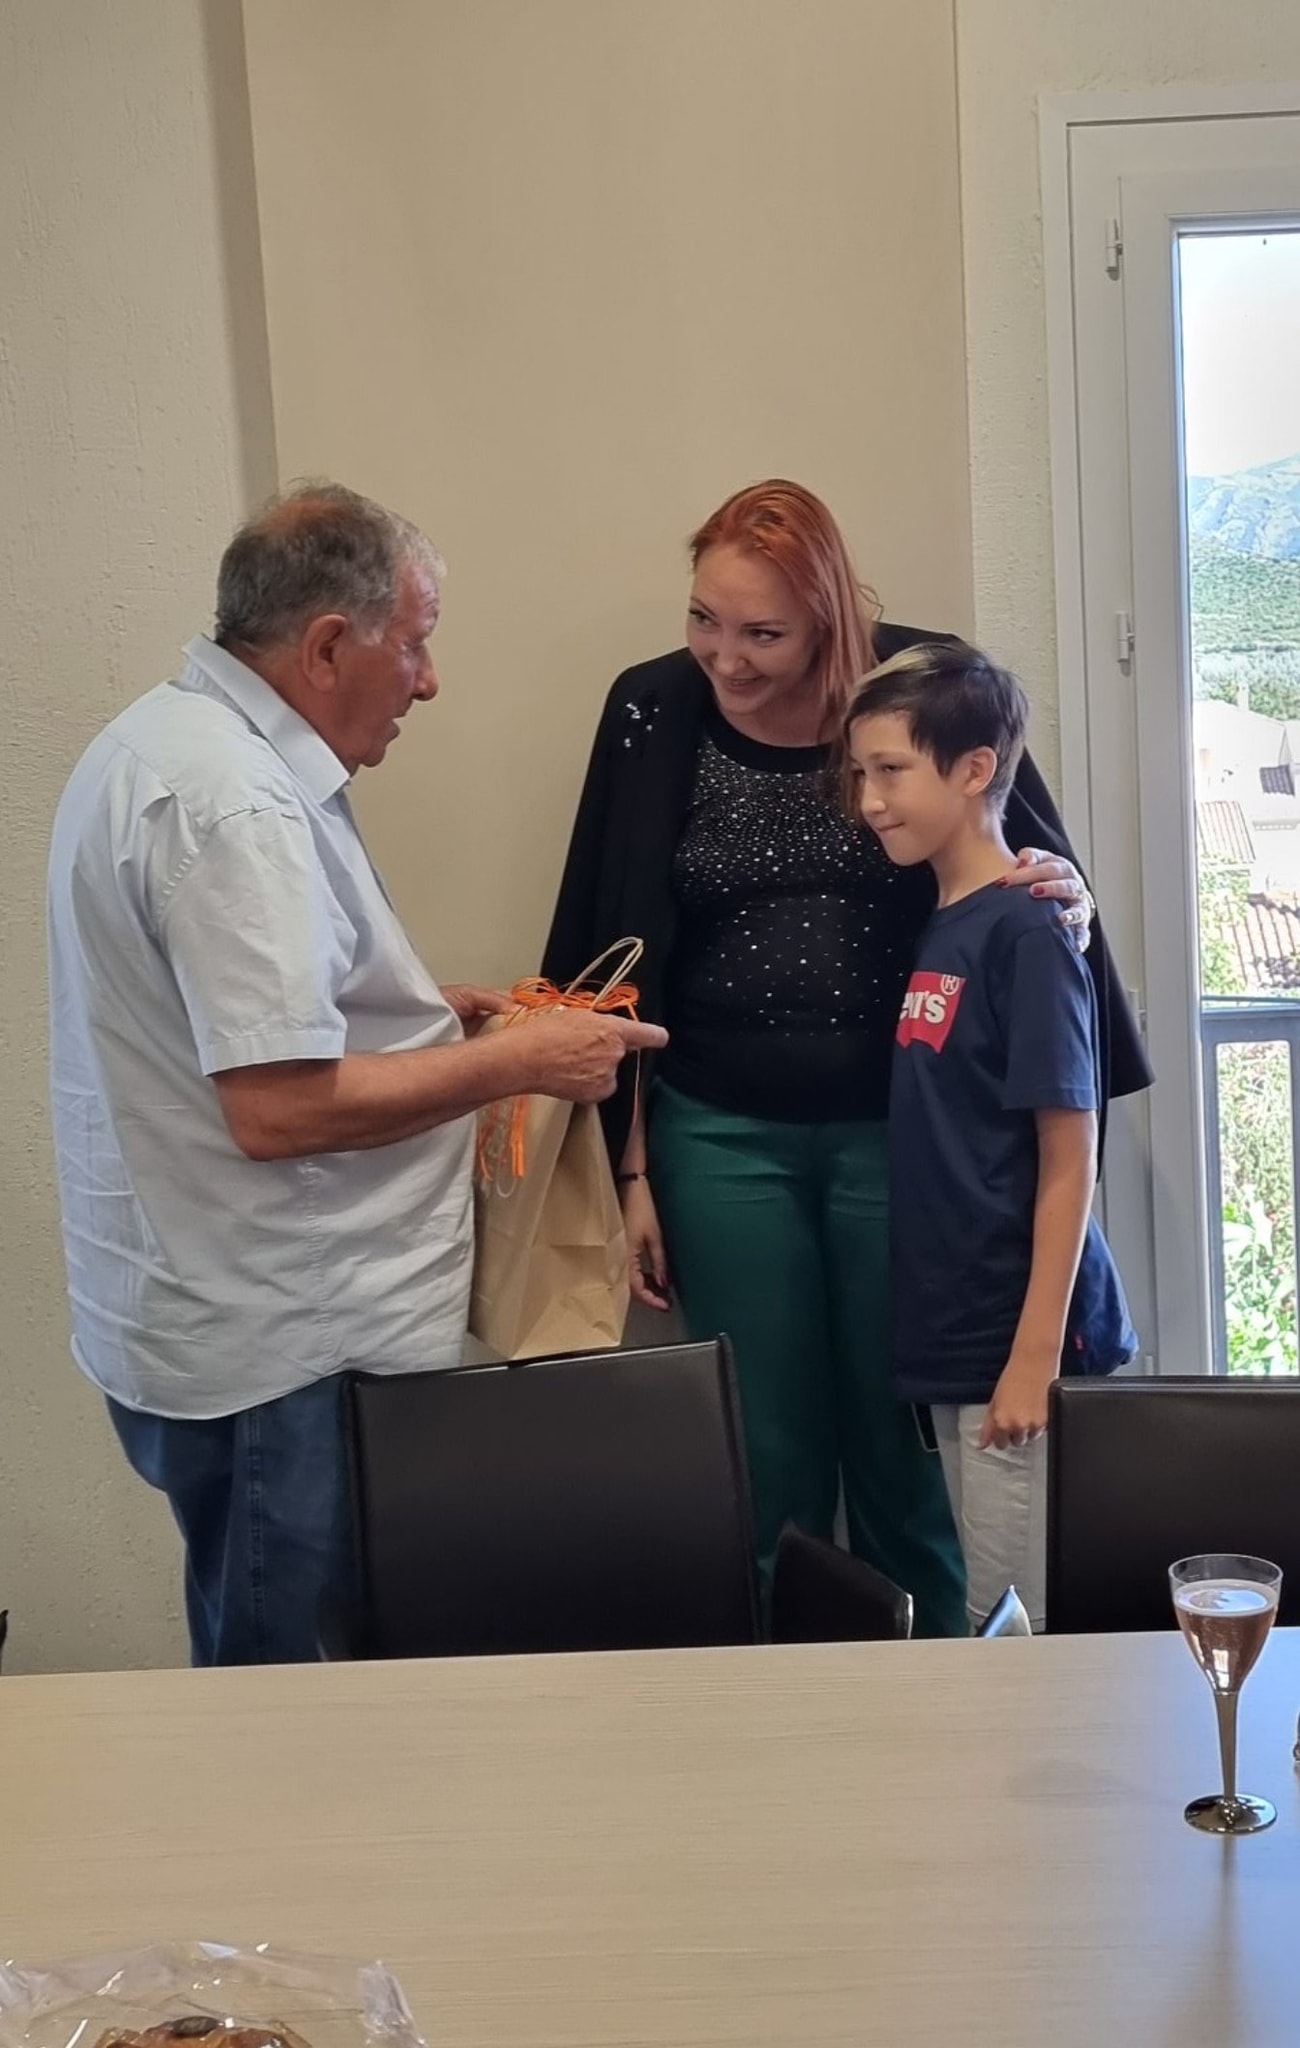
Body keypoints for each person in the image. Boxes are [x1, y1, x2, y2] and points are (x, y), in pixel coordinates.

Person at [48, 481, 664, 1667]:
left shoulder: (157, 743)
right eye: (415, 642)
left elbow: (219, 1024)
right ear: (327, 646)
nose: (428, 682)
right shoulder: (237, 805)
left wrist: (423, 1014)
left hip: (216, 1312)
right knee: (296, 1693)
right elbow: (276, 1109)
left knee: (274, 1654)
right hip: (285, 1341)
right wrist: (519, 1061)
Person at [543, 479, 1150, 1636]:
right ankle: (794, 1698)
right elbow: (615, 943)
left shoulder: (914, 692)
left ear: (829, 619)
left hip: (900, 1135)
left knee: (903, 1437)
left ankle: (941, 1678)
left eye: (763, 632)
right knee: (762, 1445)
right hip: (716, 1133)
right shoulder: (652, 710)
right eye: (703, 619)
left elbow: (1016, 863)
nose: (726, 656)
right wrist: (628, 1166)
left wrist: (1065, 893)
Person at [845, 642, 1137, 1629]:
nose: (870, 799)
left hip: (1017, 1341)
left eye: (891, 770)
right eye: (861, 772)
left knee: (1018, 1629)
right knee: (990, 1613)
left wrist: (1033, 1355)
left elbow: (1070, 1150)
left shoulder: (1027, 928)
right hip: (957, 1333)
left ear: (974, 769)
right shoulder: (948, 919)